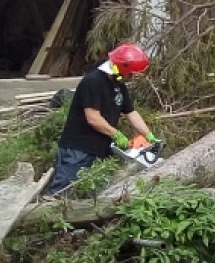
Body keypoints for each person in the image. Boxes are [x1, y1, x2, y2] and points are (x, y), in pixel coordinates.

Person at [46, 43, 158, 195]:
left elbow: (131, 113)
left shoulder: (119, 85)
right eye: (130, 74)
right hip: (78, 149)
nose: (131, 78)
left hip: (100, 150)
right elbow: (93, 118)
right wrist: (116, 134)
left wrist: (149, 136)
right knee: (62, 191)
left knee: (93, 195)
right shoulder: (93, 82)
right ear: (121, 68)